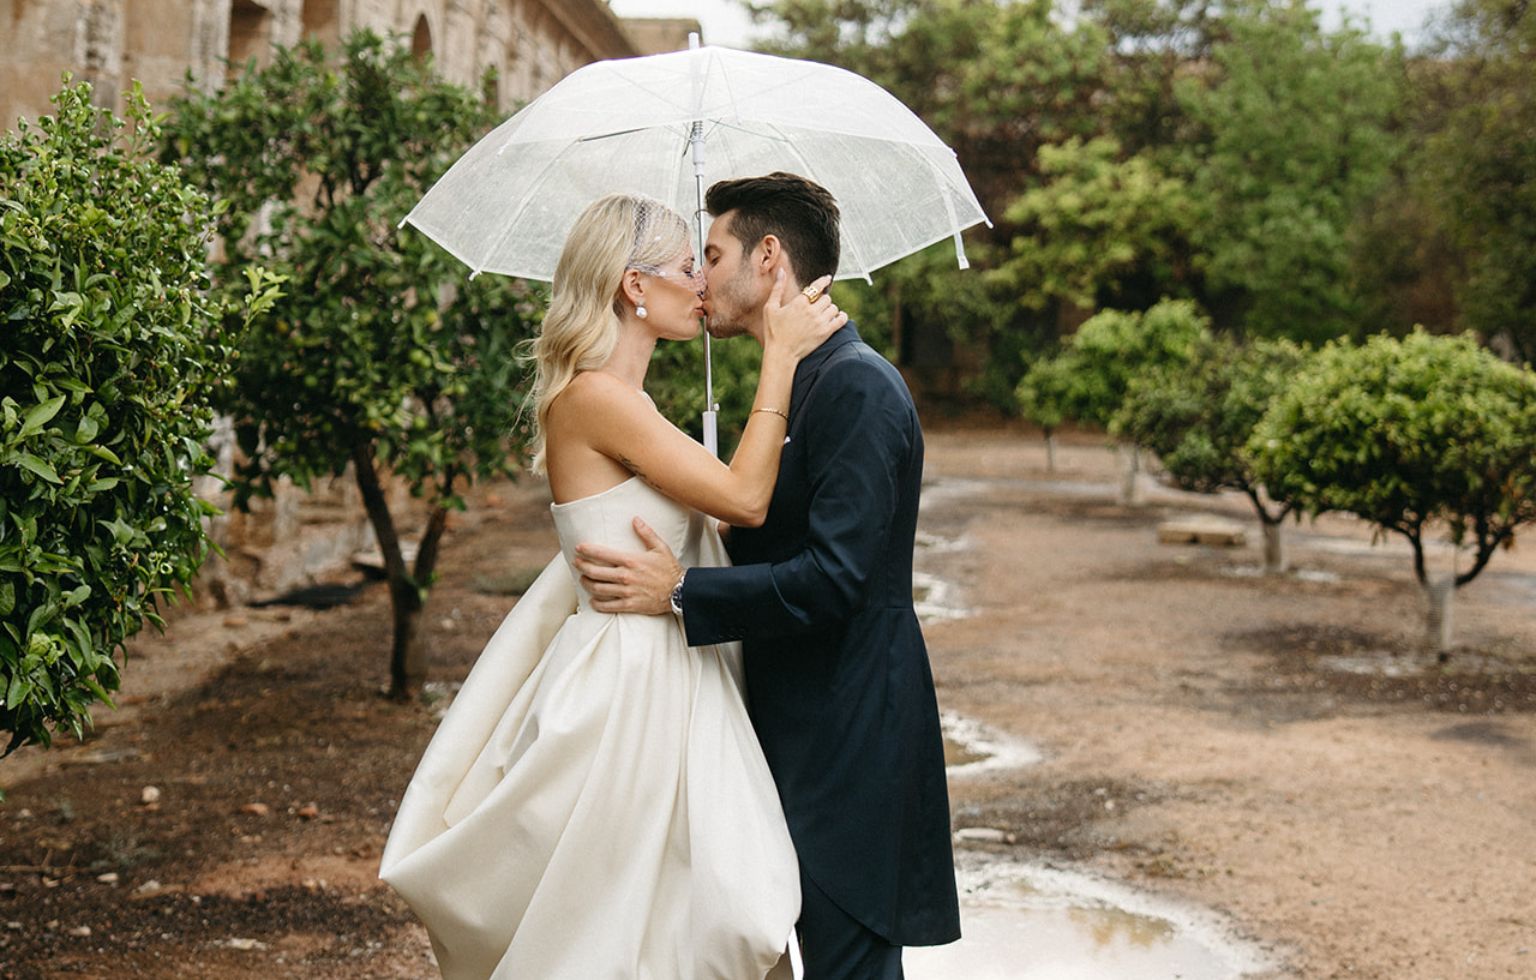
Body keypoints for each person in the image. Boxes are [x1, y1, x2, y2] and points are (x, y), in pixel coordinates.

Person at [379, 192, 846, 979]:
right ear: (636, 286)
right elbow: (744, 497)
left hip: (671, 668)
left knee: (698, 913)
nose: (702, 282)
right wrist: (781, 356)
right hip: (627, 685)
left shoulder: (628, 402)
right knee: (647, 918)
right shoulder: (595, 397)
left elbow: (714, 518)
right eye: (685, 267)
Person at [573, 173, 962, 980]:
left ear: (770, 257)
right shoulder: (796, 381)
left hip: (847, 740)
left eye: (710, 255)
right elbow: (777, 530)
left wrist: (682, 590)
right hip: (782, 729)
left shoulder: (856, 385)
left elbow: (834, 579)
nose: (701, 277)